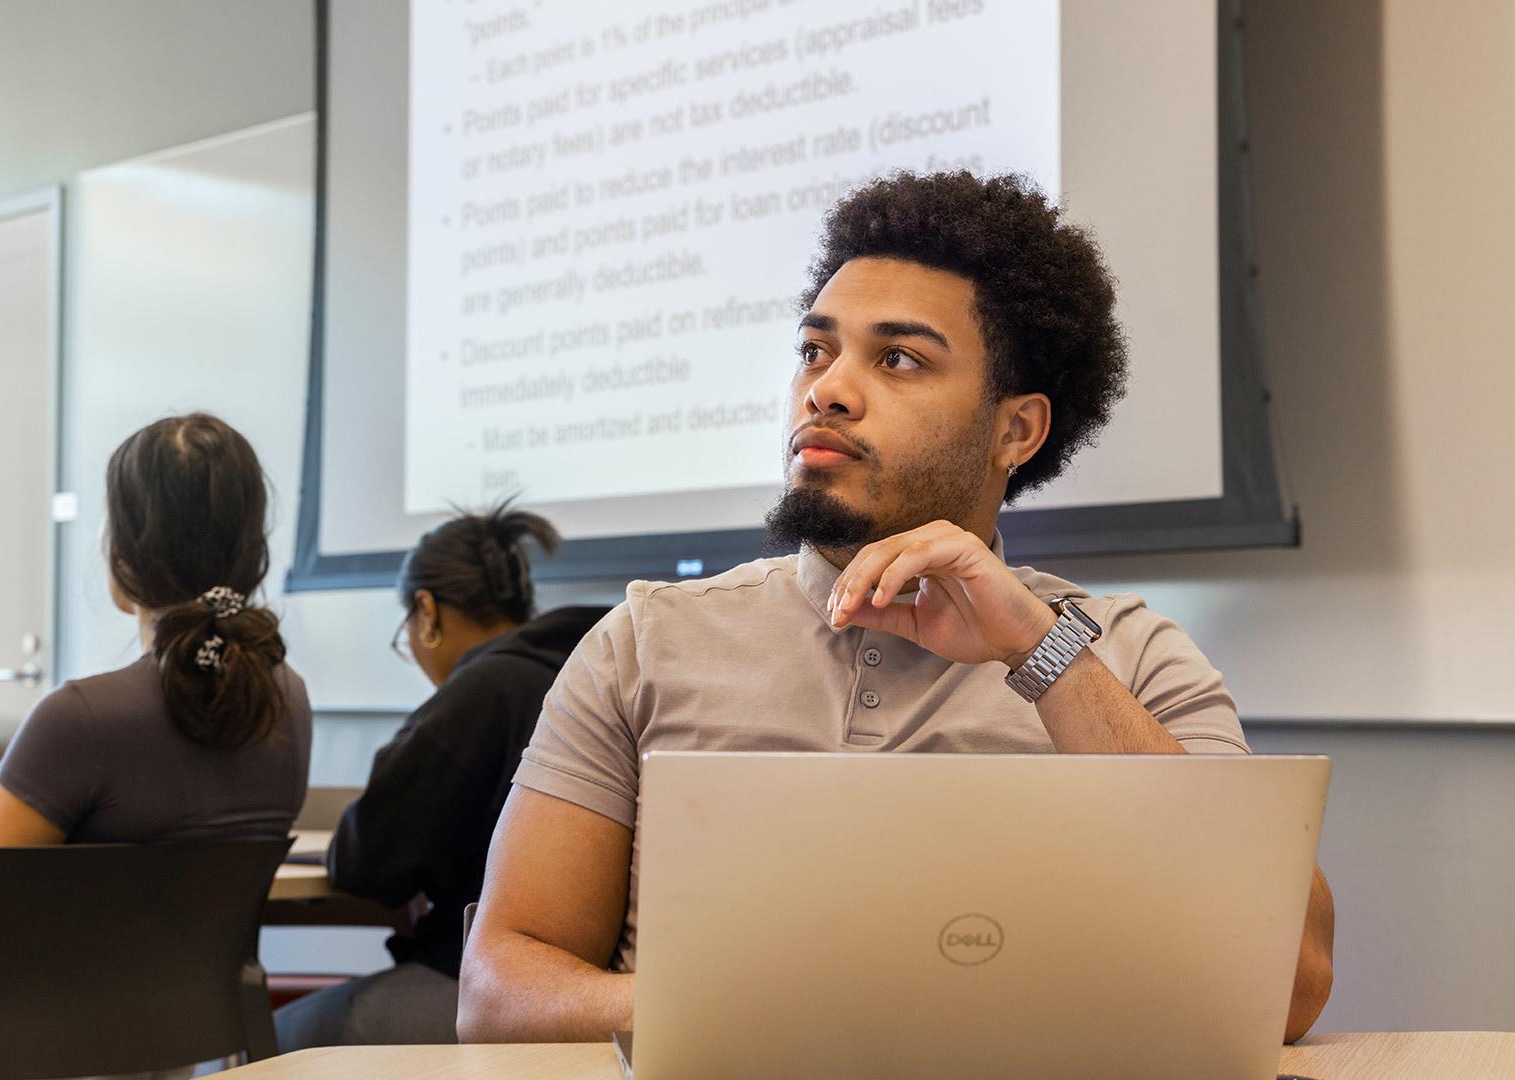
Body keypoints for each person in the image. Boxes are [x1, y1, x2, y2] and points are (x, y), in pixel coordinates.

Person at [457, 172, 1337, 1045]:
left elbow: (1288, 984)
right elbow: (499, 992)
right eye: (815, 350)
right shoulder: (645, 642)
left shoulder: (1129, 655)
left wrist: (1041, 652)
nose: (827, 390)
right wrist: (731, 1016)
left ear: (1017, 431)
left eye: (898, 359)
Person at [0, 412, 312, 970]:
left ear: (124, 555)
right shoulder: (288, 700)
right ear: (251, 549)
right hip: (200, 1042)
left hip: (40, 1048)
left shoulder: (79, 719)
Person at [274, 503, 609, 1050]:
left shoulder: (478, 694)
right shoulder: (582, 670)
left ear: (426, 612)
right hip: (586, 994)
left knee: (272, 1040)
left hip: (478, 986)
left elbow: (366, 864)